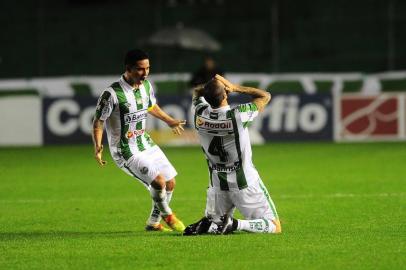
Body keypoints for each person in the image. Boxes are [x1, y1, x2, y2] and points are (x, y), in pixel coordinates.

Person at [92, 49, 186, 232]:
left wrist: (169, 120)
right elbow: (98, 121)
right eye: (140, 69)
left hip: (145, 142)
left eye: (148, 68)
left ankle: (153, 223)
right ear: (128, 68)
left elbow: (151, 106)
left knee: (170, 182)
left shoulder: (147, 86)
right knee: (158, 182)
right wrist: (97, 146)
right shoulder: (111, 94)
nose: (145, 73)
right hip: (125, 149)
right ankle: (168, 216)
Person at [184, 74, 281, 235]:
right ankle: (235, 224)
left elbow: (196, 91)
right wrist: (235, 87)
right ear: (226, 94)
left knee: (213, 225)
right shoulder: (238, 115)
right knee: (274, 226)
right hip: (245, 184)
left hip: (217, 185)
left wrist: (210, 87)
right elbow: (265, 96)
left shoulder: (199, 114)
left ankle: (211, 222)